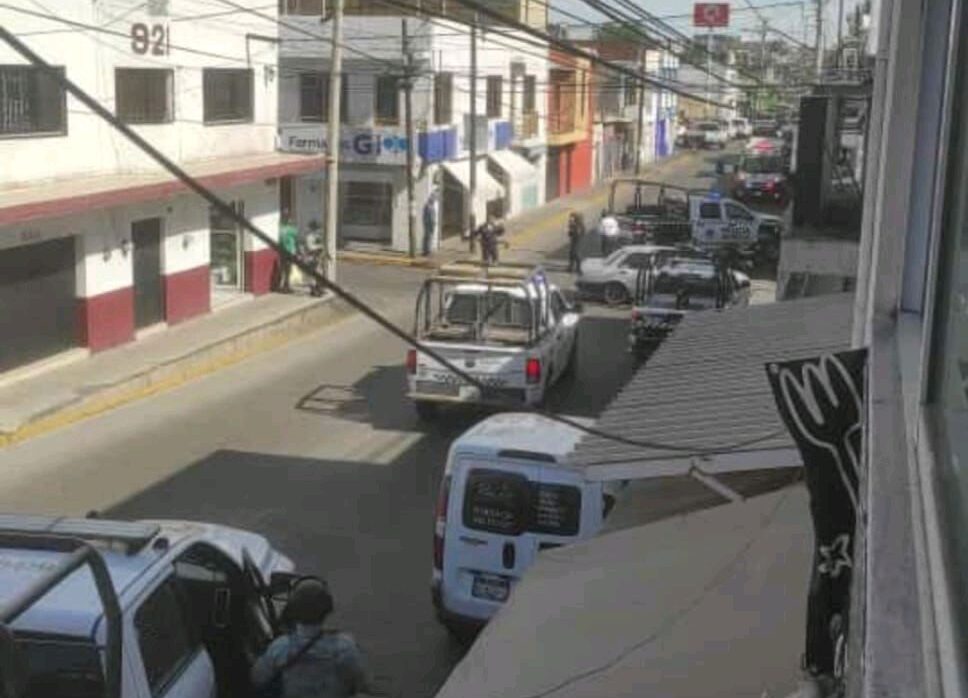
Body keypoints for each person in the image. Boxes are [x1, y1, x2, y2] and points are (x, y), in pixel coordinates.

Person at [251, 577, 374, 698]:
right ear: (326, 609)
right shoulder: (345, 648)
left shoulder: (279, 648)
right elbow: (363, 682)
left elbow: (258, 678)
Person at [278, 212, 299, 293]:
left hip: (282, 252)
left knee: (283, 269)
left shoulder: (281, 229)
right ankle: (286, 287)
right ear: (289, 220)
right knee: (288, 270)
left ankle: (282, 285)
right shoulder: (292, 230)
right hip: (290, 251)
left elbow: (279, 241)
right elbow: (296, 240)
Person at [422, 191, 437, 257]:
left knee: (430, 237)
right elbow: (425, 216)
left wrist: (434, 222)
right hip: (428, 223)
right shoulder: (427, 205)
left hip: (432, 223)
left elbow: (433, 215)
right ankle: (426, 251)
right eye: (434, 198)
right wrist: (426, 222)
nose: (434, 200)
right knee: (427, 237)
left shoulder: (432, 206)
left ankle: (428, 250)